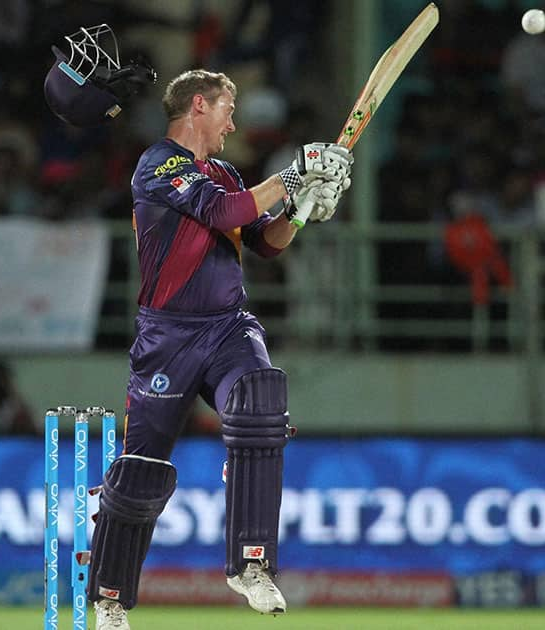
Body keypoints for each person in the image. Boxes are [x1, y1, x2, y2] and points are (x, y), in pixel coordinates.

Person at [48, 45, 352, 628]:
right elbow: (219, 213)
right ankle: (110, 599)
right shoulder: (158, 164)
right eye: (227, 110)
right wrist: (293, 174)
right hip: (167, 336)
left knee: (262, 398)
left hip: (229, 327)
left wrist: (304, 208)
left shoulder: (228, 171)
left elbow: (264, 240)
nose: (234, 124)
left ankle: (251, 563)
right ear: (198, 106)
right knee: (141, 471)